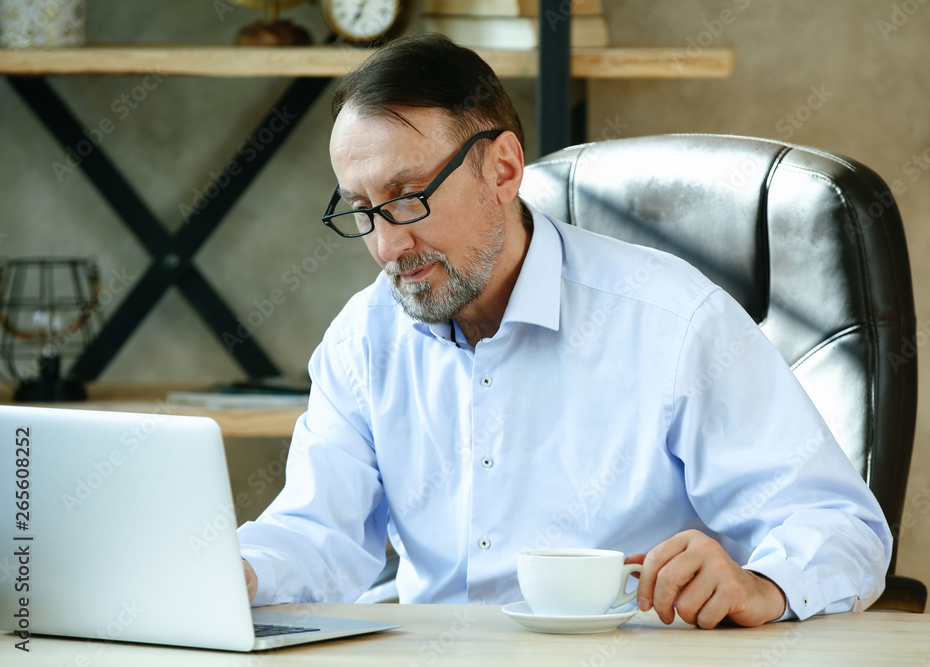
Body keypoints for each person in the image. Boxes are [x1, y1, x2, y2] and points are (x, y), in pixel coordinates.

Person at [237, 33, 892, 629]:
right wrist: (233, 568)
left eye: (408, 196)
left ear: (502, 168)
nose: (386, 245)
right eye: (362, 210)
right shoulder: (363, 337)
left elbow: (841, 524)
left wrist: (764, 583)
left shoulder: (673, 322)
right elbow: (319, 530)